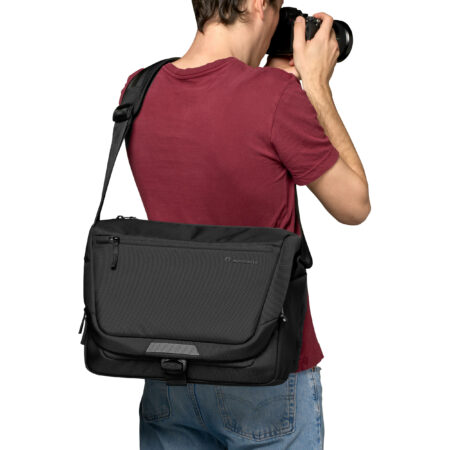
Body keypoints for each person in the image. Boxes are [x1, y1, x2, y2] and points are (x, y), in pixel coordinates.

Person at [120, 1, 371, 448]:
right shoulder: (275, 97)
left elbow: (217, 120)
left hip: (169, 369)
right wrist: (315, 85)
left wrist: (267, 78)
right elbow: (355, 205)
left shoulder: (139, 88)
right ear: (257, 4)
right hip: (265, 372)